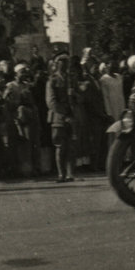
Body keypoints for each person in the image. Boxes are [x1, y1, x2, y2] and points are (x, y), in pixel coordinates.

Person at [46, 55, 75, 183]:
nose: (64, 66)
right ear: (57, 64)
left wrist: (76, 96)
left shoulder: (71, 79)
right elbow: (51, 102)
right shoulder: (52, 80)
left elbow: (77, 97)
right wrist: (65, 115)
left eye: (66, 63)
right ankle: (61, 174)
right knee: (60, 146)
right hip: (58, 118)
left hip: (71, 117)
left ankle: (70, 174)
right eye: (61, 63)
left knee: (70, 146)